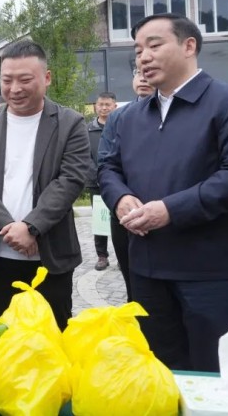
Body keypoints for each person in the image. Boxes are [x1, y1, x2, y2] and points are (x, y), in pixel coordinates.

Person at [99, 13, 228, 372]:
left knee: (210, 373)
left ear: (189, 46)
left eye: (154, 45)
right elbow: (108, 168)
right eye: (138, 50)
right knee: (157, 371)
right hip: (146, 269)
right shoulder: (130, 117)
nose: (144, 57)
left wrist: (170, 210)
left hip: (208, 272)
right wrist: (120, 197)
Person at [0, 40, 90, 330]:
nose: (15, 88)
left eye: (25, 79)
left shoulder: (70, 123)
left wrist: (31, 227)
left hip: (50, 256)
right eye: (7, 80)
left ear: (46, 78)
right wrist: (8, 227)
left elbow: (70, 180)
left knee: (51, 336)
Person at [96, 66, 154, 302]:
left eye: (148, 72)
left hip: (166, 215)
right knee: (134, 288)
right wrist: (120, 198)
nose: (143, 78)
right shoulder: (119, 117)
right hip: (125, 215)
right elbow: (106, 164)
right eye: (138, 73)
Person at [86, 91, 117, 271]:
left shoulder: (120, 126)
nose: (104, 108)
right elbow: (84, 157)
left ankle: (122, 254)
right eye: (101, 104)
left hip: (118, 182)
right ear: (95, 107)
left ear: (115, 107)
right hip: (96, 183)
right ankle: (102, 256)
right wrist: (98, 176)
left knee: (120, 219)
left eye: (108, 105)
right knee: (100, 220)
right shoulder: (87, 130)